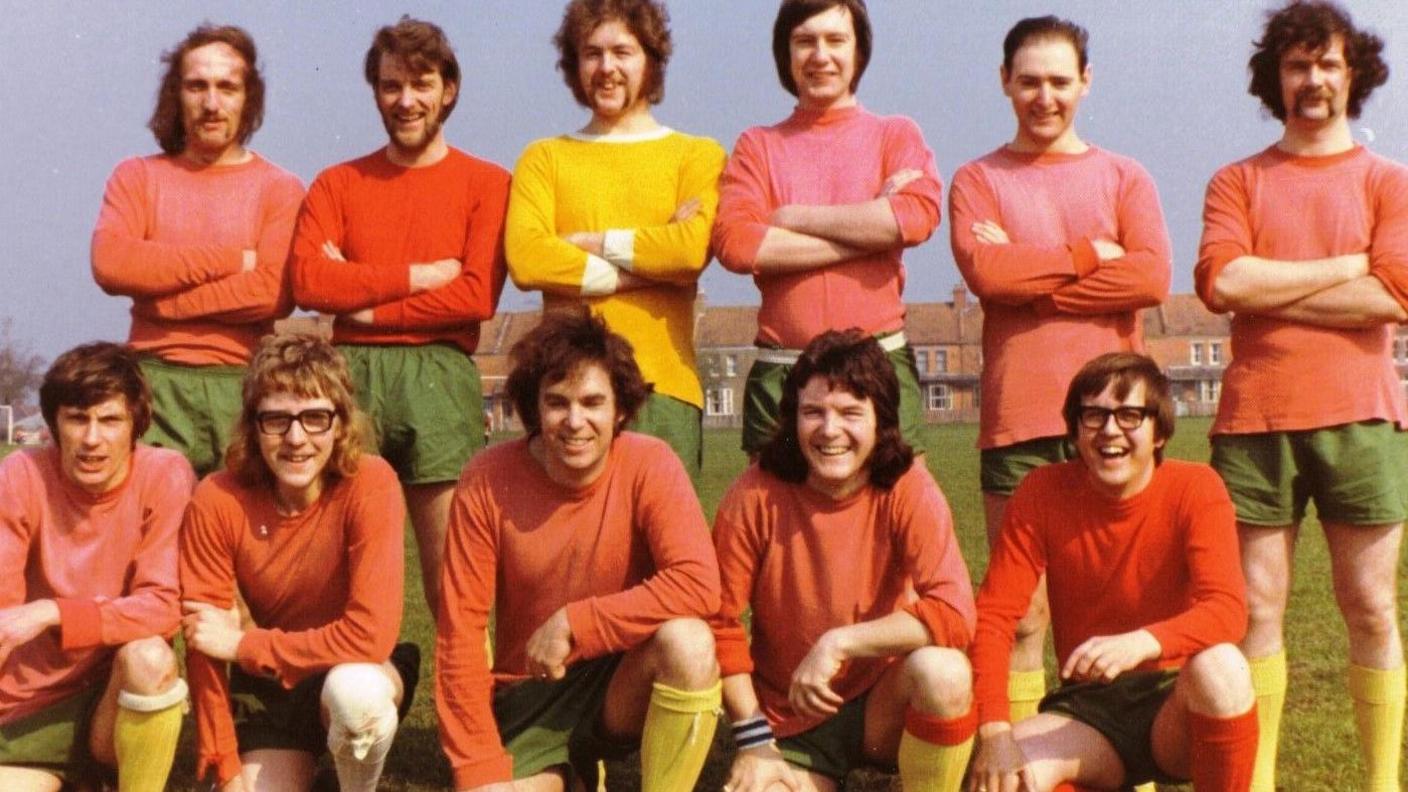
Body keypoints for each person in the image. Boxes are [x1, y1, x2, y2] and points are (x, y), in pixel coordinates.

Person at [1195, 3, 1407, 789]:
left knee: (1372, 608)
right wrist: (1349, 267)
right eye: (1296, 64)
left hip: (1363, 417)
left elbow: (1395, 296)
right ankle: (1257, 781)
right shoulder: (1238, 179)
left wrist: (1268, 291)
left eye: (1326, 63)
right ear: (1274, 77)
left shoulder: (1390, 182)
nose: (1311, 79)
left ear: (1354, 74)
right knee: (1254, 612)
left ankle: (1383, 781)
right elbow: (1221, 281)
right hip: (1255, 418)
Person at [948, 15, 1171, 726]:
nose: (1045, 97)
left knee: (1122, 601)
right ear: (1005, 82)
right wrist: (1087, 256)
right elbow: (988, 273)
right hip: (1019, 418)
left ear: (1086, 82)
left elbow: (1152, 277)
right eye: (1030, 81)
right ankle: (1016, 753)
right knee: (1022, 615)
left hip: (1118, 419)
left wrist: (1030, 269)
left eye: (1059, 81)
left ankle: (1121, 756)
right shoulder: (978, 180)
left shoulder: (1124, 176)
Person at [436, 306, 721, 791]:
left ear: (621, 409)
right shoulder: (486, 478)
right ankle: (572, 774)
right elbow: (460, 632)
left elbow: (698, 583)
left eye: (592, 402)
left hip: (620, 683)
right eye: (557, 403)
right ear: (533, 406)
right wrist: (477, 765)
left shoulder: (650, 463)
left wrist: (576, 622)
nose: (575, 421)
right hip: (530, 692)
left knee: (689, 643)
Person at [290, 16, 511, 614]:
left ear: (449, 89)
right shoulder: (337, 183)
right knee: (336, 561)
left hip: (440, 374)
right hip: (347, 374)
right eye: (391, 86)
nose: (406, 101)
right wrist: (416, 276)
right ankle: (341, 696)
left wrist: (357, 304)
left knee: (451, 568)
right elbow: (309, 281)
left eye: (421, 84)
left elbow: (474, 298)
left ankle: (466, 699)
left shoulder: (488, 183)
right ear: (376, 92)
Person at [968, 353, 1257, 791]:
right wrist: (993, 731)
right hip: (1090, 708)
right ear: (1075, 429)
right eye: (1094, 415)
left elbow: (1228, 610)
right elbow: (993, 616)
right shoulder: (1041, 491)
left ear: (1158, 431)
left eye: (1129, 415)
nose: (1109, 430)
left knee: (1223, 667)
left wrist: (1143, 641)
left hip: (1173, 703)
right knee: (1010, 780)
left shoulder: (1196, 488)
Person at [712, 330, 977, 792]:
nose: (830, 431)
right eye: (813, 412)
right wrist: (754, 740)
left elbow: (956, 612)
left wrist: (840, 642)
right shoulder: (755, 492)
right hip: (793, 716)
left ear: (882, 420)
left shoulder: (906, 484)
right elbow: (716, 620)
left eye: (851, 413)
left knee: (945, 672)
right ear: (792, 418)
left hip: (884, 709)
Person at [180, 334, 417, 792]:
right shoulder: (216, 497)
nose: (295, 438)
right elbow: (204, 643)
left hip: (354, 668)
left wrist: (245, 646)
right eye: (276, 419)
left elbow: (369, 636)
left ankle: (353, 785)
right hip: (272, 689)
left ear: (340, 424)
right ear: (253, 425)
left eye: (314, 418)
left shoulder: (370, 481)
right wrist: (223, 763)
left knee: (357, 698)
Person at [505, 0, 725, 477]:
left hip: (662, 390)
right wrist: (644, 270)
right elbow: (526, 259)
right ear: (574, 63)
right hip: (567, 395)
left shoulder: (696, 156)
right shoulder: (544, 159)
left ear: (650, 58)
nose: (607, 68)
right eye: (592, 53)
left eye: (622, 52)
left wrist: (592, 242)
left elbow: (688, 251)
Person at [712, 0, 942, 455]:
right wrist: (869, 231)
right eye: (805, 41)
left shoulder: (895, 134)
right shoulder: (758, 145)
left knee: (892, 513)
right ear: (786, 53)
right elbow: (738, 246)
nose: (820, 55)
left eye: (836, 40)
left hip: (879, 365)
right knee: (774, 521)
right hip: (783, 370)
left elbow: (915, 217)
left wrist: (793, 217)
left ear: (859, 51)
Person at [90, 24, 305, 477]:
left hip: (244, 383)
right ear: (176, 93)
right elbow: (111, 263)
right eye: (197, 86)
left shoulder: (279, 188)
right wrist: (232, 260)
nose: (211, 103)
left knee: (240, 538)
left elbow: (272, 292)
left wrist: (157, 300)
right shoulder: (137, 177)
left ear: (249, 97)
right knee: (154, 538)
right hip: (153, 381)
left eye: (227, 87)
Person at [0, 342, 193, 790]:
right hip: (31, 705)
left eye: (110, 420)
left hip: (114, 701)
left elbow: (163, 606)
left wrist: (52, 612)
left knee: (150, 658)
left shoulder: (164, 474)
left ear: (135, 426)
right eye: (77, 418)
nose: (92, 438)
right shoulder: (21, 474)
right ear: (53, 425)